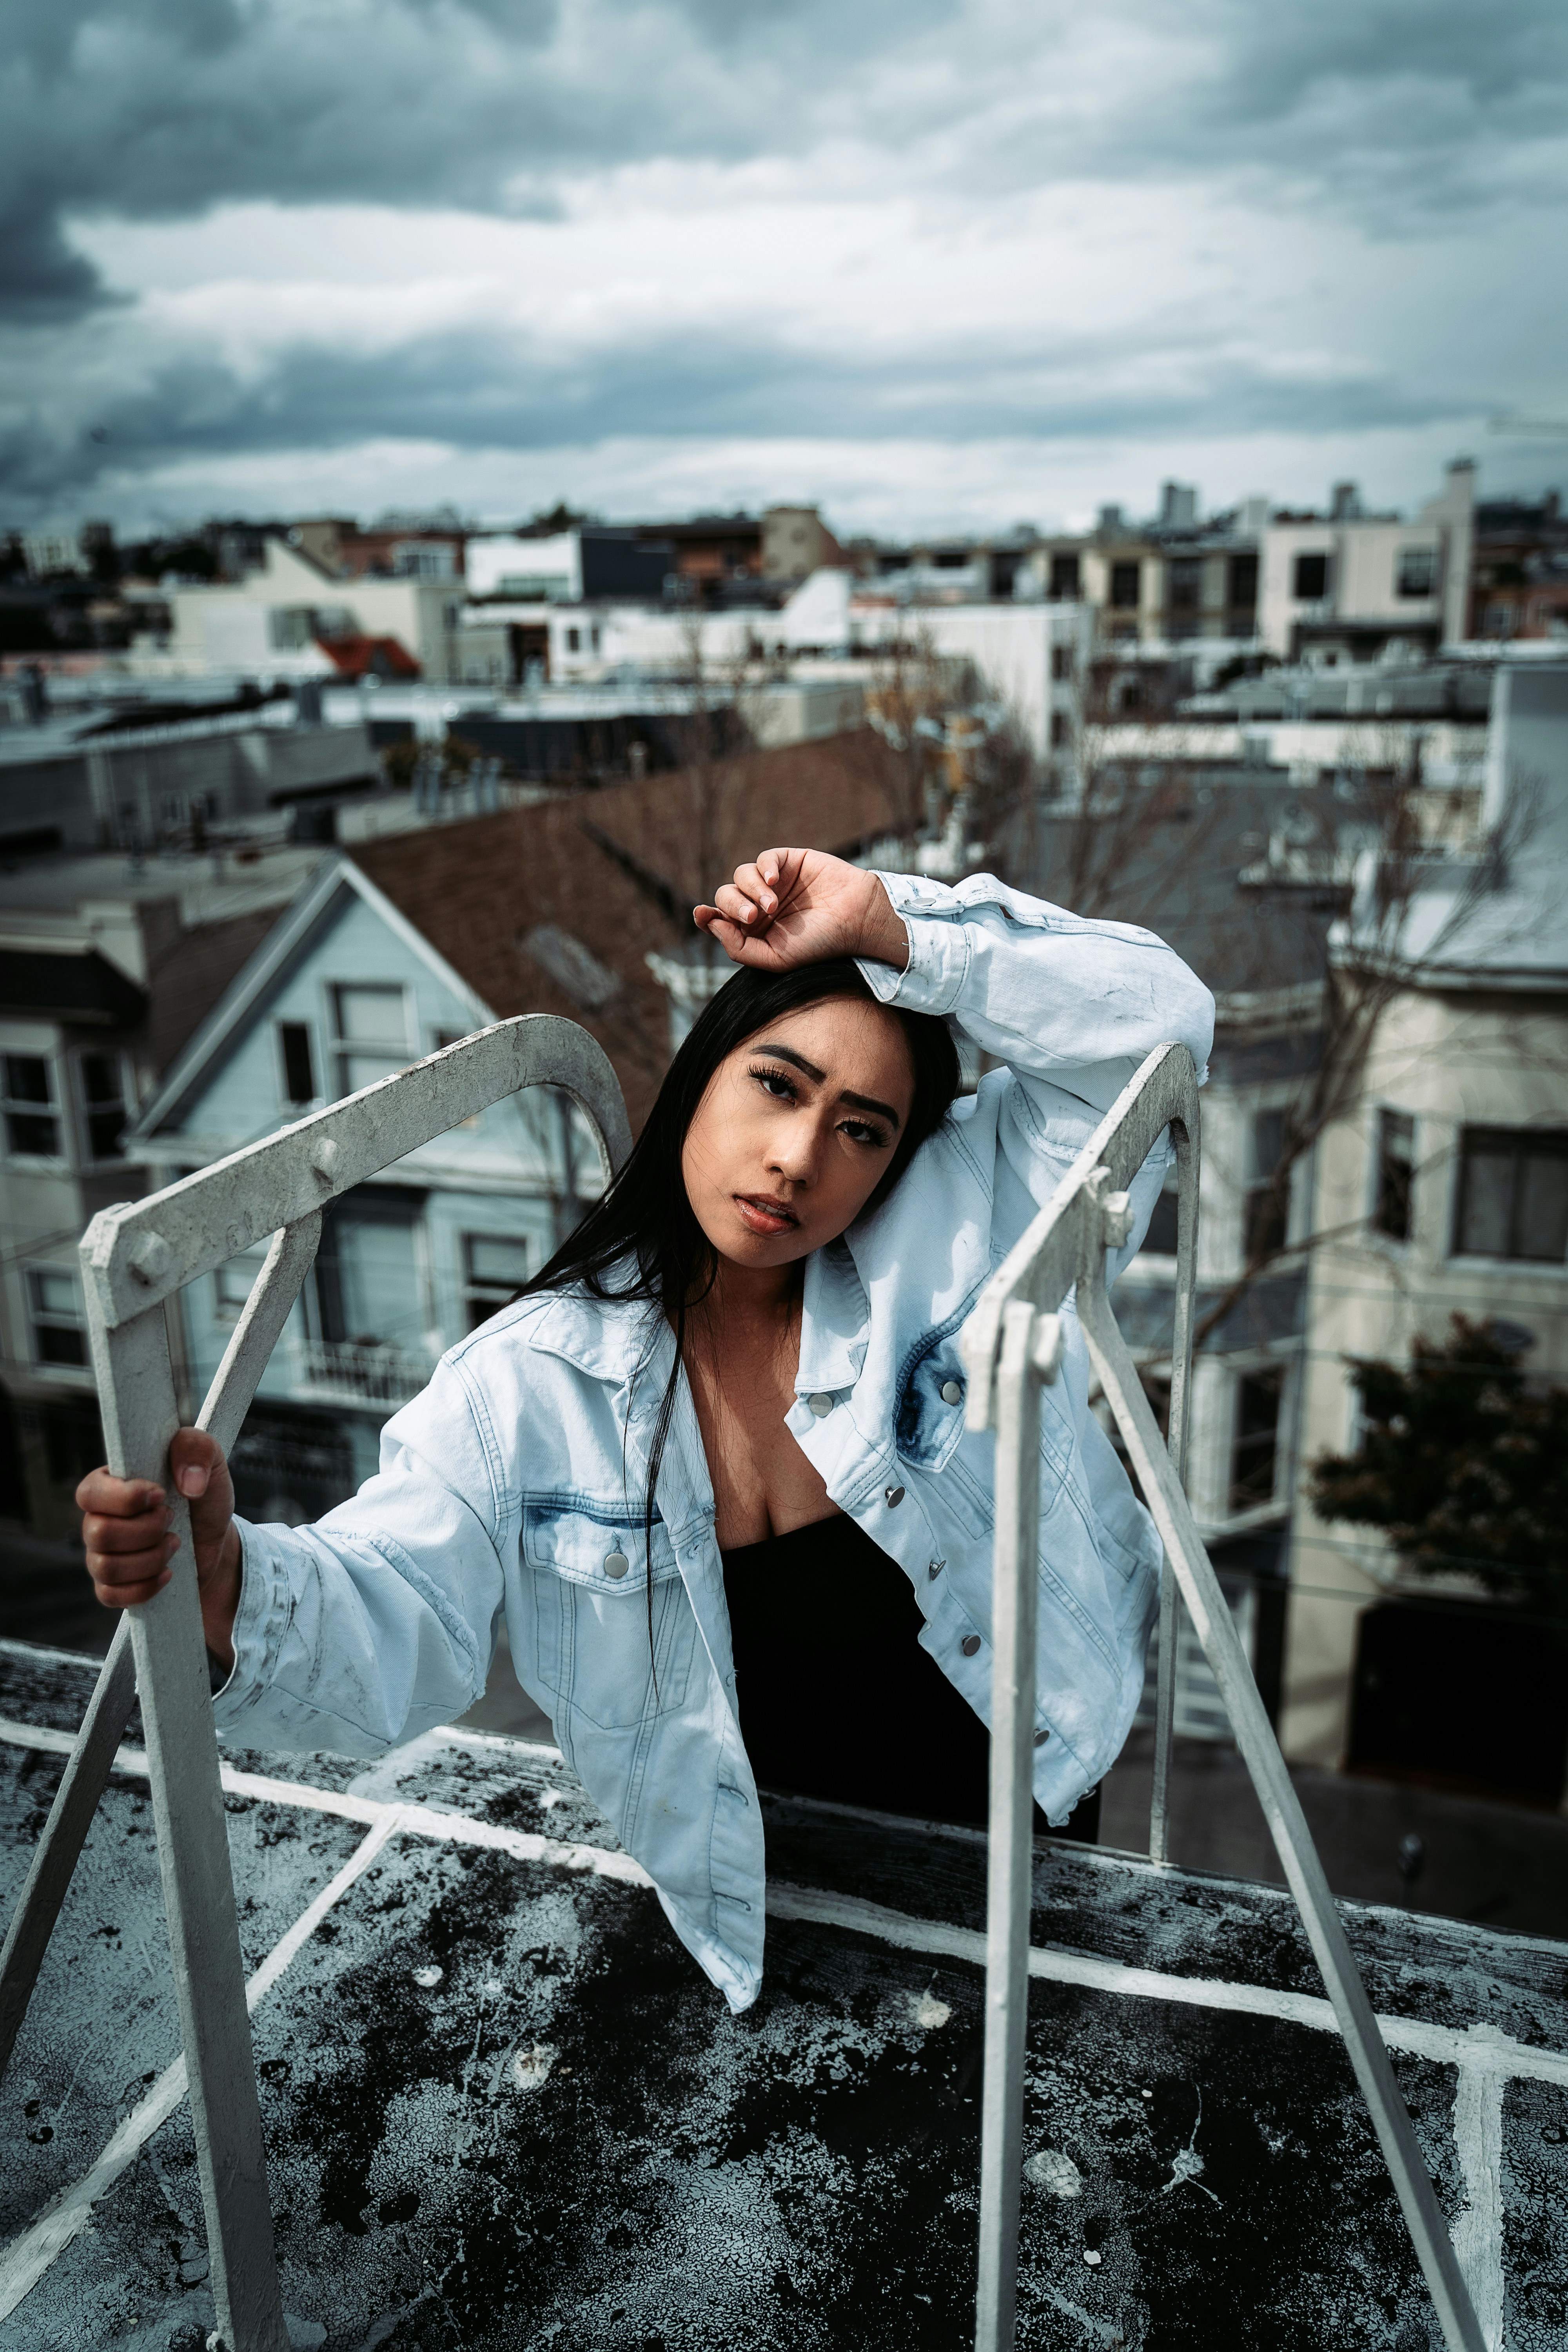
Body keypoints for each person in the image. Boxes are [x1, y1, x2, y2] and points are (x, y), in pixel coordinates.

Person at [77, 849, 1213, 2013]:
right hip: (769, 1908)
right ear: (701, 1076)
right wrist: (222, 1575)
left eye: (862, 1130)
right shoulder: (533, 1385)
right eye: (778, 1084)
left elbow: (1157, 1034)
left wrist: (887, 921)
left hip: (1029, 1807)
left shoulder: (960, 1235)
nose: (799, 1158)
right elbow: (394, 1610)